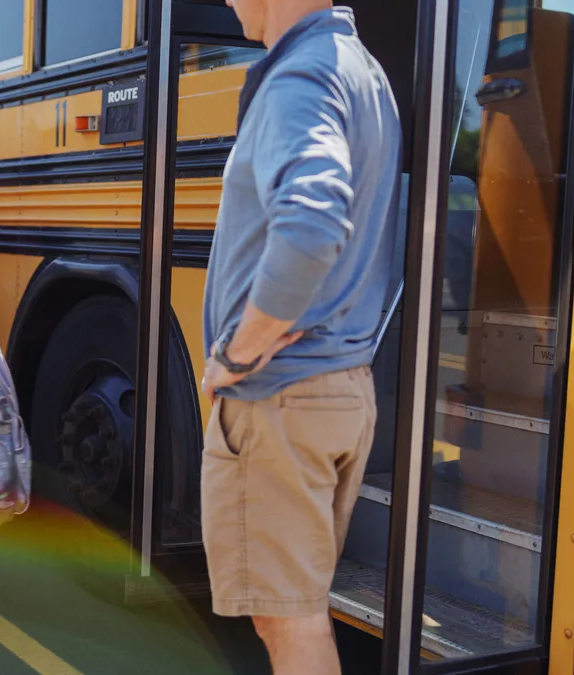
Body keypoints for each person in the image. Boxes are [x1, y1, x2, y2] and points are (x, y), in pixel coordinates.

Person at [198, 2, 400, 674]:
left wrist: (240, 350)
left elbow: (312, 222)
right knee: (285, 609)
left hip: (282, 398)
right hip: (336, 390)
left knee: (289, 619)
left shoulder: (300, 77)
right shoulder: (358, 70)